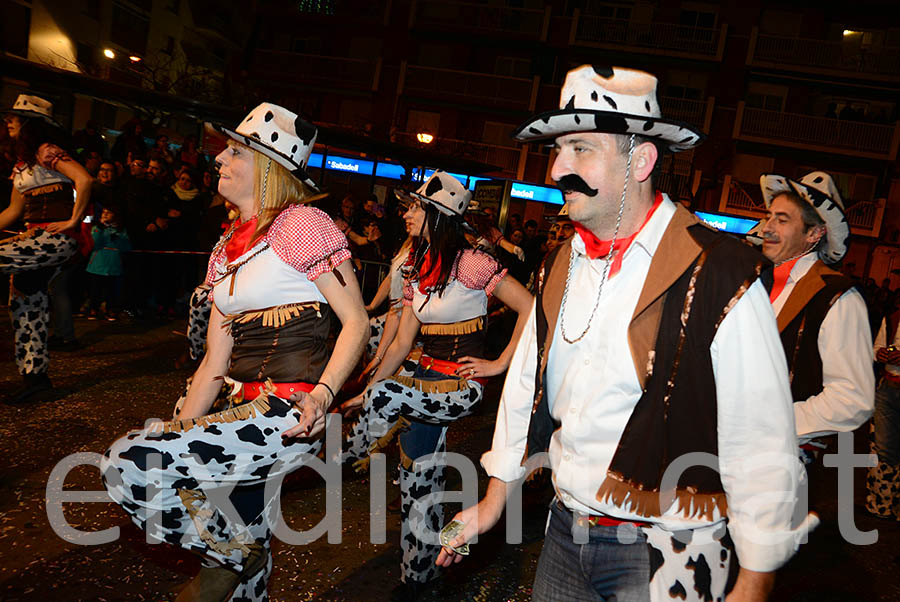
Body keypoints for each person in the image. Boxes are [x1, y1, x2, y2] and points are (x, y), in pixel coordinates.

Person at [438, 65, 812, 601]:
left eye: (581, 149)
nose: (557, 169)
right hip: (566, 536)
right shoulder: (560, 264)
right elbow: (527, 389)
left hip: (669, 549)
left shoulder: (718, 272)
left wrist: (754, 580)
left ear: (641, 160)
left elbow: (760, 435)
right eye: (558, 150)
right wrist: (494, 500)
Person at [100, 102, 369, 602]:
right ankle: (245, 559)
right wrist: (178, 428)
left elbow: (357, 321)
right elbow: (212, 362)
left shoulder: (302, 224)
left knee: (127, 461)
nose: (219, 158)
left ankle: (232, 554)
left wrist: (325, 394)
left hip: (288, 412)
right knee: (243, 524)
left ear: (268, 166)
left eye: (235, 150)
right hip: (236, 409)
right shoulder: (225, 246)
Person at [341, 171, 533, 601]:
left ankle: (340, 459)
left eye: (414, 207)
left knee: (389, 396)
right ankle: (421, 578)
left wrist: (498, 365)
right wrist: (368, 387)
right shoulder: (416, 267)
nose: (406, 214)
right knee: (416, 485)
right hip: (423, 382)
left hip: (461, 385)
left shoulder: (473, 262)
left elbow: (530, 307)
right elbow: (401, 343)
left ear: (437, 214)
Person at [758, 171, 874, 465]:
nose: (766, 228)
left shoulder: (837, 297)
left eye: (782, 220)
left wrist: (768, 424)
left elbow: (852, 399)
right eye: (768, 216)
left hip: (778, 459)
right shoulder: (754, 282)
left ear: (814, 233)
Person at [0, 94, 92, 402]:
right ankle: (35, 379)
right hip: (33, 239)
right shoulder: (22, 167)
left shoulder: (47, 151)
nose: (9, 121)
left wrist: (73, 220)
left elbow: (84, 178)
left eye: (15, 117)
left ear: (31, 124)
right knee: (26, 305)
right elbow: (12, 213)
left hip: (55, 239)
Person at [867, 311, 900, 519]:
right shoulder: (893, 316)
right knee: (884, 450)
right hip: (888, 387)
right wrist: (879, 353)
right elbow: (875, 347)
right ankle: (883, 505)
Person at [85, 205, 131, 321]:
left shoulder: (121, 230)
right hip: (97, 264)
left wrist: (119, 237)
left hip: (113, 265)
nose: (105, 214)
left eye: (108, 212)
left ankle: (110, 309)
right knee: (95, 289)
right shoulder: (97, 228)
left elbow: (126, 247)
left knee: (112, 290)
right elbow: (94, 243)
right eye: (103, 212)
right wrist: (100, 229)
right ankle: (93, 308)